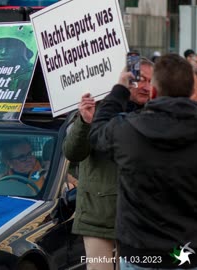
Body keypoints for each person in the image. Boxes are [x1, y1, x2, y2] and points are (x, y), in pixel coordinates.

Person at [90, 53, 197, 269]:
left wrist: (120, 89)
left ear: (153, 92)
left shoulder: (125, 130)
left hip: (141, 254)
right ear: (192, 92)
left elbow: (97, 133)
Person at [64, 59, 153, 270]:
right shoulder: (98, 110)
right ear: (125, 79)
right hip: (98, 215)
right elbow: (73, 153)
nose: (147, 87)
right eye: (141, 80)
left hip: (140, 217)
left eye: (151, 81)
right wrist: (85, 123)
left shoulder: (156, 115)